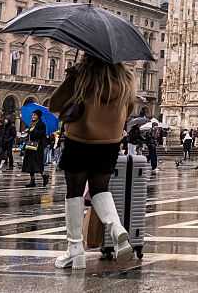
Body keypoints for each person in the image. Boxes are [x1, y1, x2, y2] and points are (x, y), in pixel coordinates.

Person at [49, 54, 137, 270]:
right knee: (100, 189)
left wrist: (71, 78)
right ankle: (116, 228)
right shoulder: (126, 80)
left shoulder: (83, 76)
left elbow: (55, 104)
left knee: (75, 191)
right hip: (109, 143)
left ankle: (75, 249)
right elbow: (129, 110)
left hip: (80, 140)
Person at [22, 110, 49, 187]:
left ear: (38, 116)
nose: (33, 116)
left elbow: (41, 134)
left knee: (37, 163)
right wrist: (27, 132)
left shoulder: (42, 124)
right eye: (32, 115)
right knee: (29, 163)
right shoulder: (31, 124)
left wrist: (34, 130)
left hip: (38, 147)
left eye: (35, 115)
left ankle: (44, 176)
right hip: (30, 145)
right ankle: (32, 181)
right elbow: (30, 135)